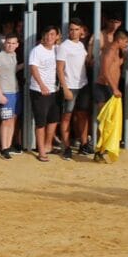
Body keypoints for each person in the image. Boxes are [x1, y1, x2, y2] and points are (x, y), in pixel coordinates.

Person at [55, 20, 91, 159]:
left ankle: (84, 144)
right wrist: (65, 88)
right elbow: (59, 69)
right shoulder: (64, 46)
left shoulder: (81, 45)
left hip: (83, 85)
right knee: (66, 117)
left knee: (82, 115)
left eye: (76, 29)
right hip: (70, 85)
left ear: (81, 30)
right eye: (71, 29)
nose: (74, 32)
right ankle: (66, 147)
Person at [29, 26, 62, 163]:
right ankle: (41, 151)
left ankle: (48, 145)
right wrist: (41, 85)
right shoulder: (37, 50)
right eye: (47, 34)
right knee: (41, 122)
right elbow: (33, 68)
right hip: (39, 90)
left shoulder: (57, 49)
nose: (49, 37)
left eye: (52, 34)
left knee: (53, 120)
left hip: (53, 90)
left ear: (57, 36)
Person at [0, 35, 22, 160]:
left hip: (15, 91)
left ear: (17, 45)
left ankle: (8, 146)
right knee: (6, 120)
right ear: (5, 44)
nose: (10, 45)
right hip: (5, 92)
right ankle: (4, 148)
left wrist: (24, 65)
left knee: (12, 119)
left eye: (13, 43)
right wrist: (0, 94)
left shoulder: (14, 55)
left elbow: (12, 71)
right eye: (8, 43)